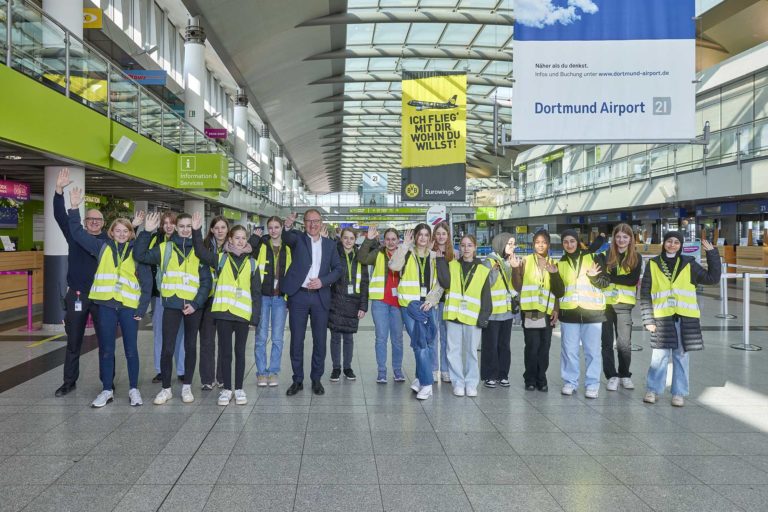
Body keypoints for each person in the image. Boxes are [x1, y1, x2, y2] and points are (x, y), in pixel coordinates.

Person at [66, 188, 151, 407]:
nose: (122, 234)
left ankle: (133, 389)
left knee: (131, 350)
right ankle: (106, 390)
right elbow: (77, 233)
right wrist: (74, 208)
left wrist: (142, 309)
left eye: (126, 231)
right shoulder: (101, 246)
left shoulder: (136, 251)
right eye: (118, 230)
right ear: (111, 232)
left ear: (131, 233)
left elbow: (147, 281)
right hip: (105, 306)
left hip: (128, 308)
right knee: (106, 350)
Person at [134, 212, 212, 405]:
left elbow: (206, 282)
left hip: (193, 307)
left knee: (190, 347)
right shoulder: (164, 248)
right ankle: (166, 389)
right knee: (167, 348)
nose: (185, 229)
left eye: (189, 226)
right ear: (176, 228)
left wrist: (195, 304)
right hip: (171, 305)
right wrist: (147, 232)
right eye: (182, 226)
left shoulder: (199, 250)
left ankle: (187, 387)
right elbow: (140, 255)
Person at [641, 232, 720, 407]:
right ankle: (652, 390)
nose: (672, 245)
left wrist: (712, 254)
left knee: (681, 356)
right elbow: (645, 293)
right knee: (659, 356)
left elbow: (712, 278)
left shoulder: (688, 263)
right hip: (662, 318)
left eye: (676, 242)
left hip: (685, 319)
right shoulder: (653, 264)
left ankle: (679, 393)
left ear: (681, 245)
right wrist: (648, 319)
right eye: (669, 241)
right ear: (664, 243)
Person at [192, 214, 261, 405]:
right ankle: (227, 389)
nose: (240, 241)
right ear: (230, 239)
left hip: (242, 315)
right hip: (223, 313)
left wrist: (254, 318)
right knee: (225, 352)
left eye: (243, 238)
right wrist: (196, 231)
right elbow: (199, 251)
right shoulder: (220, 259)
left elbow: (256, 294)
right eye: (237, 238)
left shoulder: (252, 263)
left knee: (239, 352)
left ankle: (238, 388)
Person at [52, 168, 108, 397]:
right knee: (74, 342)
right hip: (77, 295)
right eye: (91, 219)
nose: (94, 223)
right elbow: (59, 216)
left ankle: (107, 383)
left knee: (106, 344)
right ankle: (69, 381)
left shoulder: (109, 242)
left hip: (102, 297)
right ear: (84, 222)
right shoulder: (75, 235)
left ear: (104, 224)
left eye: (98, 220)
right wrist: (58, 191)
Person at [281, 210, 343, 396]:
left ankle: (316, 379)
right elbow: (285, 237)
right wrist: (288, 225)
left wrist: (323, 281)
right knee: (297, 340)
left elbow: (338, 269)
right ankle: (297, 380)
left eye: (316, 221)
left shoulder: (330, 245)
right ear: (304, 223)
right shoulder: (298, 239)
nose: (313, 224)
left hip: (320, 296)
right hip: (298, 296)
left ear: (321, 222)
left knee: (320, 341)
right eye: (309, 221)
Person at [389, 224, 443, 399]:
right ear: (416, 237)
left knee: (425, 343)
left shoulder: (435, 257)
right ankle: (427, 383)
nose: (423, 238)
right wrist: (404, 245)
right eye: (420, 235)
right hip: (409, 305)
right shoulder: (406, 252)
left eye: (426, 235)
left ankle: (421, 378)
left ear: (430, 238)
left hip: (427, 305)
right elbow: (394, 267)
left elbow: (440, 283)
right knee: (420, 343)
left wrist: (431, 300)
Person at [435, 234, 492, 397]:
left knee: (471, 352)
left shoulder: (482, 270)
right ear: (459, 248)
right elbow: (445, 283)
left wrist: (484, 317)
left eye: (469, 245)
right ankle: (458, 382)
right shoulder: (452, 265)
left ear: (475, 248)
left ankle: (471, 383)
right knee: (453, 351)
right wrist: (440, 261)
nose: (466, 248)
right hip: (453, 314)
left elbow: (486, 296)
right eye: (463, 245)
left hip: (473, 317)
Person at [557, 229, 610, 398]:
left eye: (572, 241)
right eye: (566, 242)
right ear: (562, 244)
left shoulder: (594, 258)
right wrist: (552, 274)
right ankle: (570, 382)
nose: (569, 245)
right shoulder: (561, 263)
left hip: (592, 313)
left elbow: (605, 283)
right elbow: (558, 290)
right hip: (569, 313)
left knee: (592, 351)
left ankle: (592, 384)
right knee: (569, 351)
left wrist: (594, 277)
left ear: (578, 241)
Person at [511, 230, 562, 392]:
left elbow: (557, 290)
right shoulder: (525, 261)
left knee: (545, 347)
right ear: (533, 244)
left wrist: (556, 309)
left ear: (548, 244)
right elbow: (517, 286)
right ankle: (530, 379)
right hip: (530, 311)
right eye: (537, 242)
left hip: (547, 312)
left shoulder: (554, 263)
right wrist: (514, 269)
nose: (540, 245)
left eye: (544, 242)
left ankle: (542, 378)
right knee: (532, 346)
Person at [358, 226, 405, 383]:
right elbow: (362, 258)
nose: (390, 242)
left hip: (398, 302)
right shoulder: (378, 253)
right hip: (380, 301)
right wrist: (369, 239)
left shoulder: (404, 253)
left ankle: (397, 370)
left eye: (393, 239)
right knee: (381, 338)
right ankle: (382, 371)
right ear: (384, 241)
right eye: (388, 239)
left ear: (398, 240)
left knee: (397, 338)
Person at [601, 223, 642, 391]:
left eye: (625, 237)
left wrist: (611, 277)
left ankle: (625, 374)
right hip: (606, 305)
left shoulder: (636, 258)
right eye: (618, 236)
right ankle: (611, 375)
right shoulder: (606, 255)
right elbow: (601, 278)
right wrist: (609, 277)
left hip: (624, 305)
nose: (621, 240)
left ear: (631, 239)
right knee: (606, 343)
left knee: (624, 343)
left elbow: (632, 280)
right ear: (613, 238)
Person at [149, 211, 185, 385]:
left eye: (172, 223)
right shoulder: (155, 241)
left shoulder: (184, 242)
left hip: (179, 295)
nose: (169, 226)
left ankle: (182, 369)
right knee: (159, 334)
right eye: (166, 223)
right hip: (160, 296)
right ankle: (161, 370)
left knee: (180, 334)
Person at [328, 228, 369, 382]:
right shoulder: (334, 254)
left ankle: (347, 367)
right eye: (345, 238)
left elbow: (365, 282)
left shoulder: (360, 257)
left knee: (349, 338)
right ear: (341, 238)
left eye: (351, 238)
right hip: (336, 300)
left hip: (353, 301)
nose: (348, 241)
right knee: (335, 337)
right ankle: (336, 368)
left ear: (355, 239)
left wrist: (363, 306)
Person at [251, 218, 288, 387]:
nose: (273, 230)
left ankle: (273, 371)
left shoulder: (288, 247)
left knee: (277, 338)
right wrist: (254, 239)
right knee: (261, 336)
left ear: (281, 228)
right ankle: (261, 372)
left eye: (276, 227)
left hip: (280, 297)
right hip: (263, 297)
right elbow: (247, 256)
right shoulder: (261, 245)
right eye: (270, 228)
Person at [481, 233, 519, 388]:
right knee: (491, 345)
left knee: (504, 345)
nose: (512, 247)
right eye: (509, 243)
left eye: (513, 244)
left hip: (507, 311)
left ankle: (503, 374)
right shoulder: (489, 262)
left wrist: (514, 268)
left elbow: (514, 285)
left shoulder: (510, 261)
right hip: (492, 312)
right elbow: (485, 285)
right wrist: (495, 272)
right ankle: (490, 375)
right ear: (501, 244)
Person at [198, 216, 229, 390]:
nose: (219, 231)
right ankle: (207, 379)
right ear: (211, 230)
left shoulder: (233, 247)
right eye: (216, 228)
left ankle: (222, 377)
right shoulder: (204, 247)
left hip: (225, 299)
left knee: (224, 341)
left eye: (223, 227)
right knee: (207, 341)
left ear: (227, 229)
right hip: (208, 299)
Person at [431, 221, 454, 383]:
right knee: (433, 336)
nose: (441, 237)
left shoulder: (455, 255)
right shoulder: (429, 253)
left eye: (443, 234)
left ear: (448, 236)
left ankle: (445, 369)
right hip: (433, 300)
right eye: (438, 233)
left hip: (447, 301)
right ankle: (433, 369)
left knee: (446, 337)